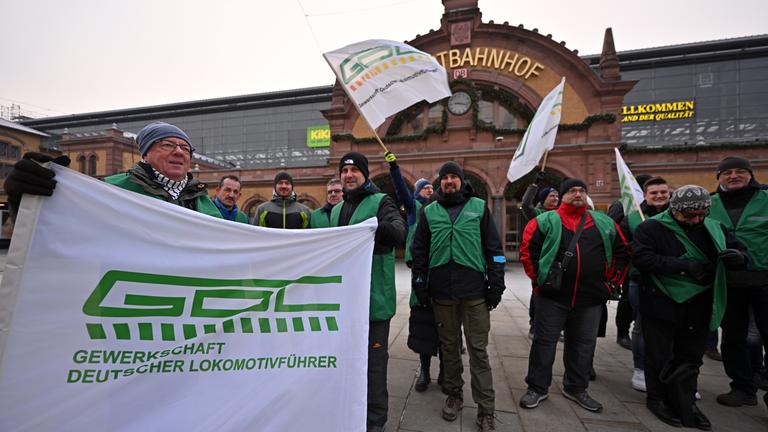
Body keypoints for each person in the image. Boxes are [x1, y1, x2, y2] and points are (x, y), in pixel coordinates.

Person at [632, 184, 748, 429]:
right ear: (675, 209)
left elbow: (740, 249)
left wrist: (739, 257)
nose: (696, 220)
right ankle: (657, 399)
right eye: (689, 215)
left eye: (701, 214)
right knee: (659, 355)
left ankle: (684, 401)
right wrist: (685, 266)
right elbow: (643, 258)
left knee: (690, 356)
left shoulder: (714, 227)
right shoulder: (651, 227)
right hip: (661, 301)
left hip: (700, 303)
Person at [519, 178, 629, 413]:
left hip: (590, 300)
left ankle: (577, 388)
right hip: (552, 298)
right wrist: (539, 281)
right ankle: (537, 388)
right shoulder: (545, 220)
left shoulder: (604, 222)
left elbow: (622, 251)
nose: (577, 194)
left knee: (583, 345)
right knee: (543, 343)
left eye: (581, 190)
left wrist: (612, 282)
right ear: (562, 196)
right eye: (571, 191)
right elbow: (528, 251)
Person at [410, 161, 506, 431]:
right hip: (442, 292)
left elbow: (495, 250)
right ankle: (454, 394)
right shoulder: (429, 211)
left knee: (478, 351)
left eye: (454, 177)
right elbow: (419, 252)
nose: (449, 181)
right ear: (440, 182)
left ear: (461, 181)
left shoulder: (479, 207)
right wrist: (420, 282)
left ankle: (486, 409)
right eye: (445, 177)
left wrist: (496, 282)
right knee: (449, 348)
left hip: (474, 292)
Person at [330, 152, 407, 432]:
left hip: (374, 302)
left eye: (354, 170)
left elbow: (399, 233)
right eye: (344, 170)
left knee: (374, 365)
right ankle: (349, 411)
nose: (349, 175)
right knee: (347, 362)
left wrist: (374, 228)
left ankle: (375, 420)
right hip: (345, 303)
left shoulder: (381, 202)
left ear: (364, 174)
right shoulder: (336, 210)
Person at [4, 122, 221, 219]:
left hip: (190, 296)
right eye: (167, 145)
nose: (179, 152)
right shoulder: (111, 189)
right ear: (145, 154)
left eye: (185, 148)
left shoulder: (204, 200)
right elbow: (56, 227)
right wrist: (23, 199)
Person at [709, 156, 768, 408]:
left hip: (764, 280)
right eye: (727, 172)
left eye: (740, 171)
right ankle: (742, 387)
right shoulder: (710, 203)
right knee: (733, 337)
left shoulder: (765, 199)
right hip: (728, 282)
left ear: (750, 174)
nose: (733, 176)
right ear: (719, 177)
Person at [383, 151, 441, 393]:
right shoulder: (413, 207)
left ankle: (446, 372)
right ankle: (424, 370)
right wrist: (394, 168)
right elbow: (400, 189)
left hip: (441, 269)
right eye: (424, 188)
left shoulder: (440, 208)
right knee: (423, 325)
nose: (429, 190)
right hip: (419, 270)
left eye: (431, 188)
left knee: (445, 324)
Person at [619, 176, 671, 392]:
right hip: (640, 279)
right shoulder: (633, 218)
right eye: (654, 193)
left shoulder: (679, 215)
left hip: (674, 280)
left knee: (672, 327)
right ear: (645, 195)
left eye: (663, 192)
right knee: (641, 325)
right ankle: (640, 368)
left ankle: (675, 373)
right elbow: (622, 246)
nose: (659, 196)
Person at [520, 171, 559, 340]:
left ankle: (555, 327)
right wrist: (534, 185)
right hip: (542, 262)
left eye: (557, 196)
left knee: (557, 296)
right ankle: (534, 325)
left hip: (559, 263)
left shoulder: (561, 215)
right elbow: (525, 204)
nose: (555, 198)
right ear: (543, 199)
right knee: (538, 293)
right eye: (551, 196)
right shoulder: (537, 214)